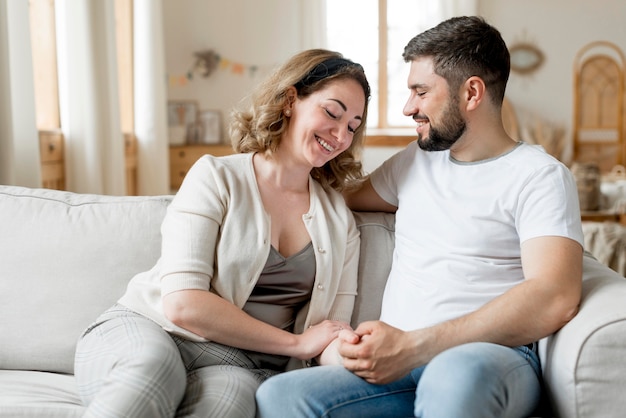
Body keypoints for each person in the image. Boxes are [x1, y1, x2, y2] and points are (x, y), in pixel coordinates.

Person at [255, 16, 584, 418]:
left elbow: (555, 295)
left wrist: (415, 346)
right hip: (398, 365)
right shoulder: (415, 162)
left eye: (420, 91)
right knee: (281, 396)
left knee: (455, 375)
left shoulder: (539, 175)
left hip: (487, 360)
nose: (408, 107)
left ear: (472, 93)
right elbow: (334, 198)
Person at [73, 48, 370, 418]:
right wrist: (295, 344)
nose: (341, 135)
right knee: (151, 370)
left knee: (228, 405)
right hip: (153, 329)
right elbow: (182, 304)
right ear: (291, 100)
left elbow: (327, 333)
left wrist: (354, 352)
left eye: (353, 126)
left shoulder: (339, 220)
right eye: (332, 112)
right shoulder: (216, 176)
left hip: (237, 365)